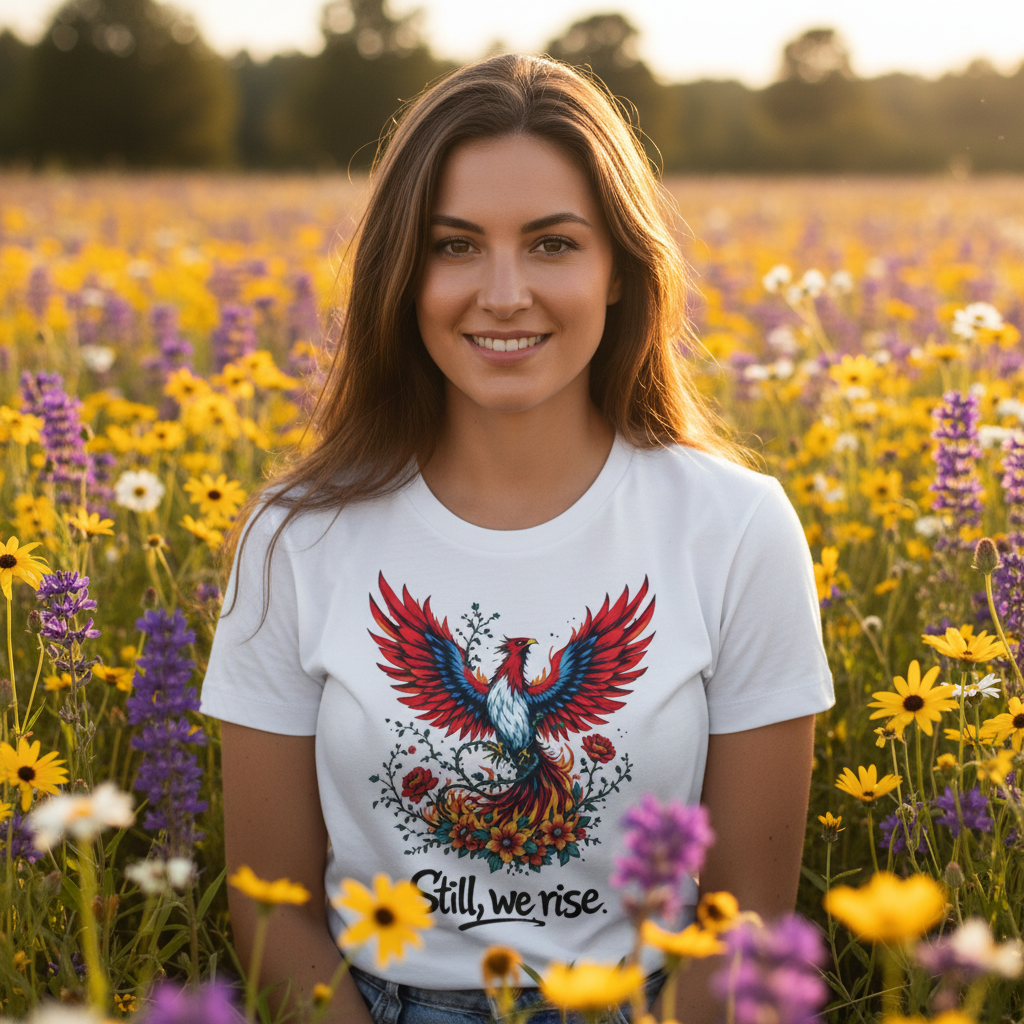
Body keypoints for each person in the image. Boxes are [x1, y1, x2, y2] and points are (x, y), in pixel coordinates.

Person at [199, 53, 834, 1024]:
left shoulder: (735, 528)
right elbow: (269, 908)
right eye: (454, 246)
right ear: (400, 273)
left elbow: (739, 920)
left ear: (619, 268)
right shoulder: (295, 537)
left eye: (551, 244)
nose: (502, 293)